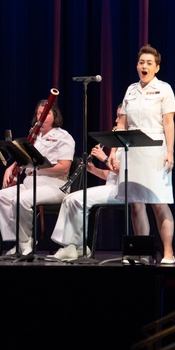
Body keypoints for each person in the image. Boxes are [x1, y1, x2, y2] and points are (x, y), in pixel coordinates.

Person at [0, 100, 74, 257]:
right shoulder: (34, 135)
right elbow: (23, 157)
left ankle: (28, 240)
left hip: (54, 184)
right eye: (38, 113)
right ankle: (21, 241)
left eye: (46, 113)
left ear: (54, 115)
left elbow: (64, 167)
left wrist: (37, 166)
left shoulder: (64, 137)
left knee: (20, 200)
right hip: (30, 183)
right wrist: (12, 167)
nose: (41, 116)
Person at [119, 44, 175, 264]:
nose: (144, 66)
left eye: (149, 63)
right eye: (141, 62)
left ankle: (168, 251)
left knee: (159, 202)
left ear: (157, 67)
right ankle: (142, 252)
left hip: (155, 150)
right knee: (136, 203)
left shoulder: (164, 89)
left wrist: (170, 151)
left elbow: (169, 122)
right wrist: (115, 152)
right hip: (132, 150)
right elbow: (123, 122)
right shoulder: (131, 90)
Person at [48, 105, 125, 261]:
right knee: (70, 198)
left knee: (76, 199)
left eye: (119, 116)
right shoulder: (117, 143)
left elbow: (125, 172)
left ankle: (75, 246)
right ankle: (75, 247)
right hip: (112, 187)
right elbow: (112, 174)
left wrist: (103, 158)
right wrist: (93, 169)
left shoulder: (130, 142)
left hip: (124, 190)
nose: (116, 120)